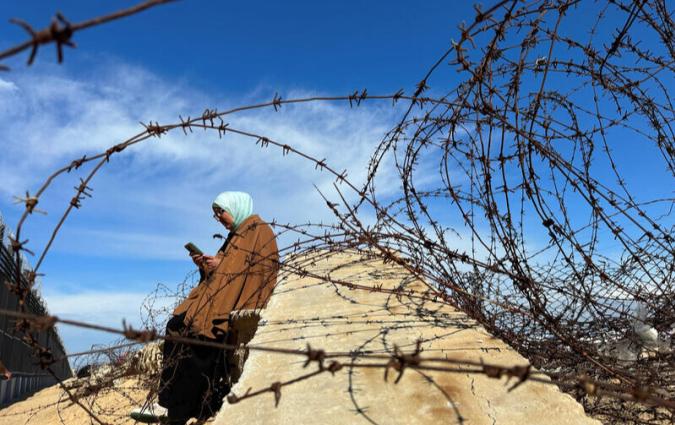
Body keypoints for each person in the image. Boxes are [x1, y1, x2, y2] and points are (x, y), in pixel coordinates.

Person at [131, 191, 279, 424]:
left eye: (221, 211)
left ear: (237, 207)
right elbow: (225, 272)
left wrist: (220, 264)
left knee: (198, 339)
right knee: (176, 326)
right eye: (215, 214)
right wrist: (207, 265)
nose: (218, 217)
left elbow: (248, 274)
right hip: (221, 297)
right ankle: (168, 403)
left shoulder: (257, 232)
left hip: (236, 302)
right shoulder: (236, 235)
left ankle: (182, 411)